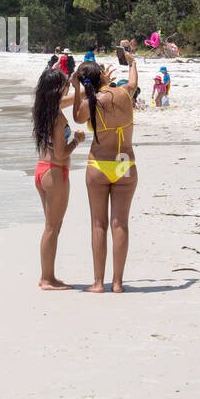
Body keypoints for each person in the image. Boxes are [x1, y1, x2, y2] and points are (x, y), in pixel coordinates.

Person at [72, 59, 138, 293]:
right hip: (124, 163)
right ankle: (118, 283)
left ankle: (98, 283)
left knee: (98, 224)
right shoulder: (123, 94)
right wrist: (132, 63)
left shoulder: (90, 102)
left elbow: (77, 118)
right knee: (120, 223)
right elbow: (132, 83)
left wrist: (76, 89)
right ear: (102, 73)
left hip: (98, 163)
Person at [32, 68, 85, 290]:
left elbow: (74, 99)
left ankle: (49, 275)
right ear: (56, 89)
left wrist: (76, 85)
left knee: (51, 227)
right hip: (55, 171)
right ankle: (47, 278)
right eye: (62, 84)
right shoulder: (56, 117)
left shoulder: (44, 109)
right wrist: (77, 140)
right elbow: (62, 153)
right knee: (52, 228)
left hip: (42, 170)